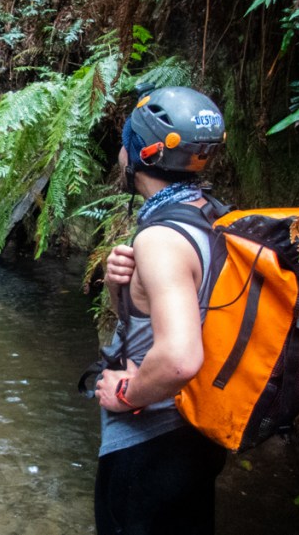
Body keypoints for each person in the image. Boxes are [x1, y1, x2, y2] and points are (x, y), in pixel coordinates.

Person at [92, 86, 229, 535]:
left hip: (151, 444)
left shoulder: (162, 240)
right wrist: (122, 286)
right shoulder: (210, 215)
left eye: (124, 141)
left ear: (139, 153)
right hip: (196, 436)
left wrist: (126, 393)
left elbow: (179, 358)